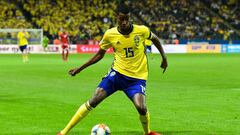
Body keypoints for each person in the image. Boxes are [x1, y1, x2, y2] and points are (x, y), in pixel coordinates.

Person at [57, 3, 167, 135]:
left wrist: (164, 57)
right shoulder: (110, 34)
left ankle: (147, 132)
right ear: (116, 18)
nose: (124, 22)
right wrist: (80, 68)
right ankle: (63, 132)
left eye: (127, 18)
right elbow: (99, 54)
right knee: (94, 100)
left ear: (130, 17)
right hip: (117, 75)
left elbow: (155, 39)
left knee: (141, 107)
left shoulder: (141, 30)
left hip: (137, 78)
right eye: (121, 19)